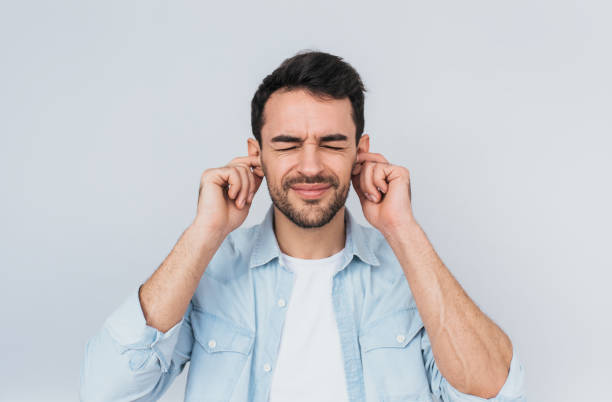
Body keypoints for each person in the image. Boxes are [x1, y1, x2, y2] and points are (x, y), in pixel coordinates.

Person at [79, 50, 526, 402]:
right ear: (256, 155)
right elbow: (106, 391)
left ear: (361, 151)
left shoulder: (409, 274)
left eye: (332, 144)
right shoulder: (210, 273)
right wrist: (205, 233)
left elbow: (495, 393)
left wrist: (403, 230)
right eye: (287, 144)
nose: (310, 167)